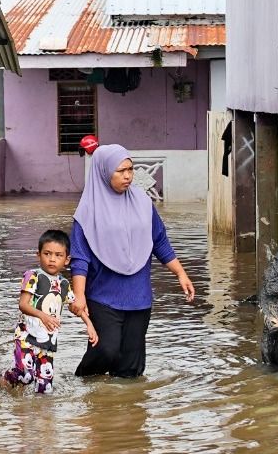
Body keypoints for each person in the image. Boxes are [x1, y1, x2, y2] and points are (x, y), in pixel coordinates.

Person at [67, 144, 195, 379]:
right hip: (103, 296)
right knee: (107, 349)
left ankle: (127, 410)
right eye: (120, 171)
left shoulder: (143, 203)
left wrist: (180, 274)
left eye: (130, 169)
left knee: (131, 366)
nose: (128, 176)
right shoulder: (87, 211)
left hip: (139, 297)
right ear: (104, 172)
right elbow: (80, 257)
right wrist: (79, 294)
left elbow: (159, 240)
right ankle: (83, 387)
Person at [0, 229, 97, 393]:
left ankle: (42, 417)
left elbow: (75, 306)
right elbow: (23, 305)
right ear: (38, 255)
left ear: (67, 260)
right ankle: (6, 377)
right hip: (26, 336)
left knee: (45, 388)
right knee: (26, 375)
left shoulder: (64, 284)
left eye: (58, 255)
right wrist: (42, 316)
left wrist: (89, 324)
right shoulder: (32, 276)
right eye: (47, 254)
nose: (52, 259)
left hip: (47, 341)